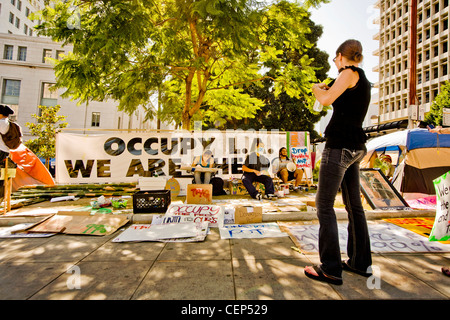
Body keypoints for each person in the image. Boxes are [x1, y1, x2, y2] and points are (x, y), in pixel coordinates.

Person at [304, 40, 372, 285]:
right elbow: (332, 101)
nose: (336, 65)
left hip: (339, 146)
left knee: (323, 204)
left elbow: (324, 101)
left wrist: (315, 88)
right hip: (356, 147)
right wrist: (326, 90)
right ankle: (360, 262)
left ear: (341, 56)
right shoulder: (363, 79)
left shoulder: (348, 73)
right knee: (354, 206)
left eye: (335, 61)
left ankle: (330, 268)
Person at [0, 105, 15, 202]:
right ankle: (1, 198)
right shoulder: (9, 123)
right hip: (5, 152)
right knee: (2, 178)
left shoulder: (1, 123)